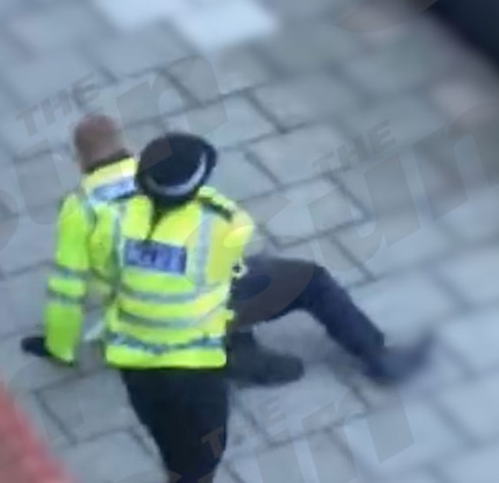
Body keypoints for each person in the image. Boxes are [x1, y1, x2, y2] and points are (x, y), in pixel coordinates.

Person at [22, 116, 432, 385]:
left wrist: (59, 347)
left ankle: (235, 350)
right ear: (128, 145)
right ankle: (378, 360)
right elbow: (228, 249)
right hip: (198, 314)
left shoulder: (77, 210)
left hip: (132, 318)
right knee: (308, 281)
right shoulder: (177, 184)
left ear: (79, 162)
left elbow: (65, 290)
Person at [28, 131, 256, 483]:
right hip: (196, 361)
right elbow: (231, 262)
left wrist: (60, 346)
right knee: (204, 452)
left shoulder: (109, 220)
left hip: (134, 360)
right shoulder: (225, 222)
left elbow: (89, 279)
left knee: (164, 434)